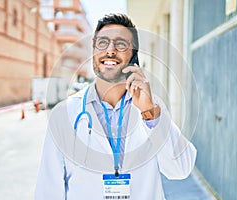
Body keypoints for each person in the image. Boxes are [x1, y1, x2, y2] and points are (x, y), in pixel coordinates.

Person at [35, 13, 197, 200]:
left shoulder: (151, 109)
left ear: (133, 55)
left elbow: (181, 169)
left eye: (121, 44)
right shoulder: (64, 114)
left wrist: (149, 114)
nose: (110, 50)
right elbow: (47, 191)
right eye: (102, 43)